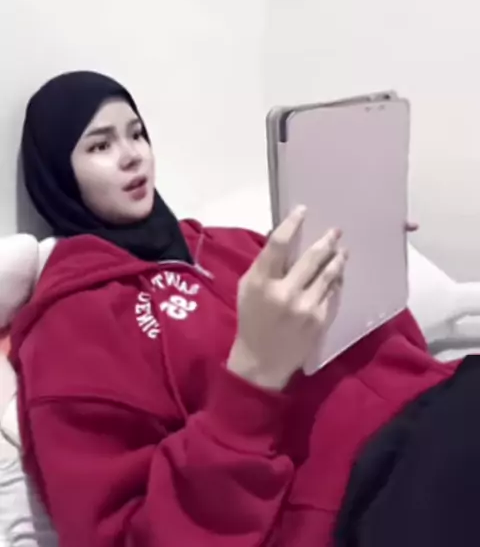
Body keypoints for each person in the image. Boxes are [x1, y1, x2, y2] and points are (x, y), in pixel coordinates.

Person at [9, 71, 459, 547]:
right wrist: (254, 374)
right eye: (100, 146)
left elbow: (376, 342)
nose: (131, 155)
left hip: (435, 403)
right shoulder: (71, 326)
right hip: (364, 494)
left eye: (137, 134)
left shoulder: (230, 245)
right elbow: (131, 534)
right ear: (59, 174)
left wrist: (369, 255)